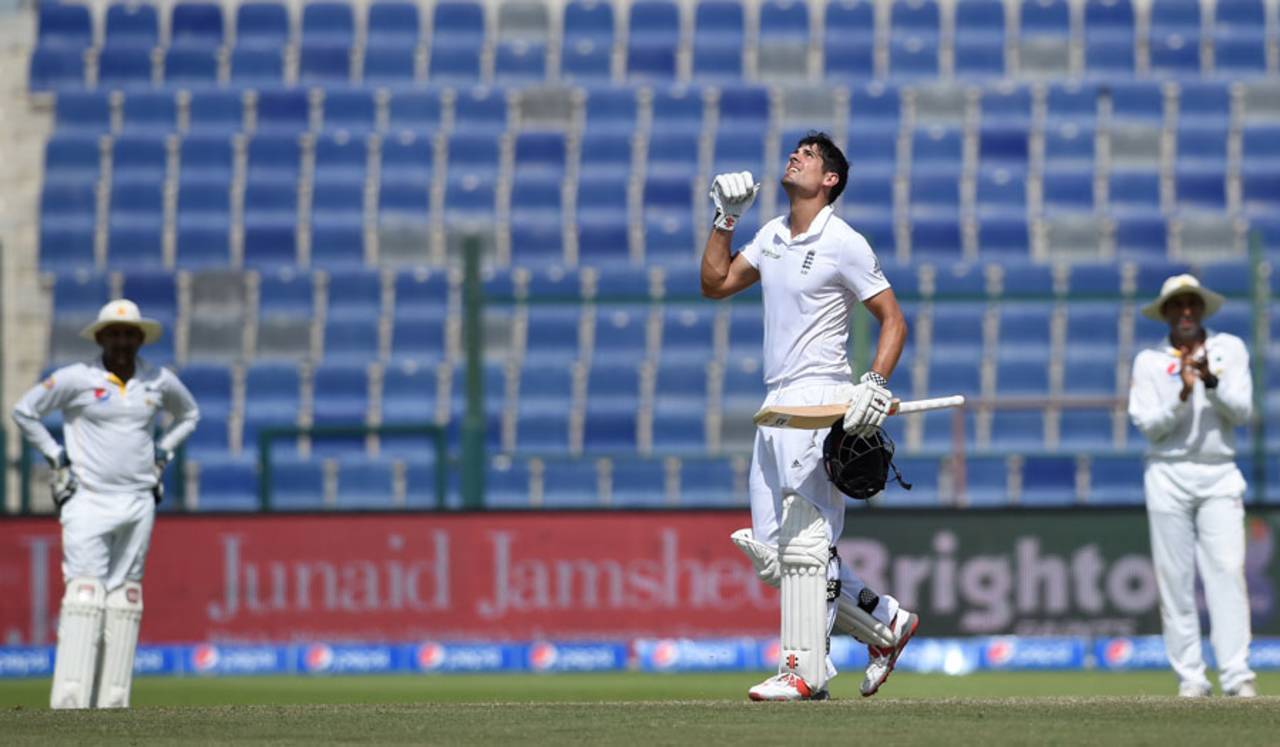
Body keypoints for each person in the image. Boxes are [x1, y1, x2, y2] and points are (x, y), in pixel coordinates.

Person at [700, 133, 917, 701]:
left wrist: (873, 382)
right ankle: (886, 621)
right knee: (779, 559)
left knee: (807, 551)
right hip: (773, 407)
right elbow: (715, 284)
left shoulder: (843, 241)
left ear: (830, 181)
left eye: (810, 155)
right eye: (795, 149)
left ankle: (803, 670)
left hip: (820, 402)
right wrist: (725, 220)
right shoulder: (770, 233)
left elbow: (893, 320)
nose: (795, 155)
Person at [11, 299, 199, 709]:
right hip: (89, 499)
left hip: (138, 500)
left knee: (125, 597)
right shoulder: (76, 379)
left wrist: (163, 452)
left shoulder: (157, 381)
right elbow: (24, 411)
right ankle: (70, 706)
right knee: (84, 594)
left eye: (129, 334)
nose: (121, 341)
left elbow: (190, 414)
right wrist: (56, 455)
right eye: (113, 333)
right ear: (100, 337)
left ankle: (114, 706)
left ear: (139, 339)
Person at [1128, 274, 1256, 698]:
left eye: (1192, 305)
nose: (1185, 313)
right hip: (1168, 472)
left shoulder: (1229, 349)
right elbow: (1149, 427)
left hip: (1219, 471)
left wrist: (1211, 384)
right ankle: (1192, 678)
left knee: (1226, 573)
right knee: (1175, 579)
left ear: (1201, 309)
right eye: (1177, 306)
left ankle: (1237, 675)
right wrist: (1181, 395)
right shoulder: (1149, 360)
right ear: (1165, 312)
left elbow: (1242, 412)